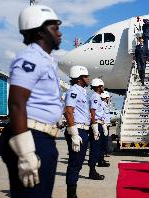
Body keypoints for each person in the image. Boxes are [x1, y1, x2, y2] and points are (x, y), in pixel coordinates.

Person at [0, 5, 63, 197]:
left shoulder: (45, 60)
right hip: (31, 136)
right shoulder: (31, 58)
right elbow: (17, 103)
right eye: (54, 28)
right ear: (41, 31)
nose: (59, 33)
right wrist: (26, 152)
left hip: (41, 137)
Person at [64, 65, 92, 198]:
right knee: (75, 164)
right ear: (80, 78)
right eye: (86, 76)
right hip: (77, 130)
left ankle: (72, 192)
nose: (88, 78)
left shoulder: (82, 91)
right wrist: (74, 134)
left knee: (78, 163)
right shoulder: (73, 91)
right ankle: (71, 195)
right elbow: (68, 112)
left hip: (83, 130)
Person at [89, 78, 110, 180]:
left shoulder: (98, 96)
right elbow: (92, 111)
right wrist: (94, 126)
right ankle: (92, 171)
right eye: (102, 86)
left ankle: (94, 168)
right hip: (96, 124)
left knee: (98, 147)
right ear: (98, 87)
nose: (103, 88)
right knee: (94, 148)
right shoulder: (95, 97)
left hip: (100, 124)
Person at [101, 91, 111, 157]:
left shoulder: (106, 104)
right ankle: (104, 152)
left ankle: (105, 151)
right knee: (103, 139)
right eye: (108, 98)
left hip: (106, 124)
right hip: (103, 124)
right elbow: (101, 115)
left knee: (106, 139)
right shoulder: (102, 104)